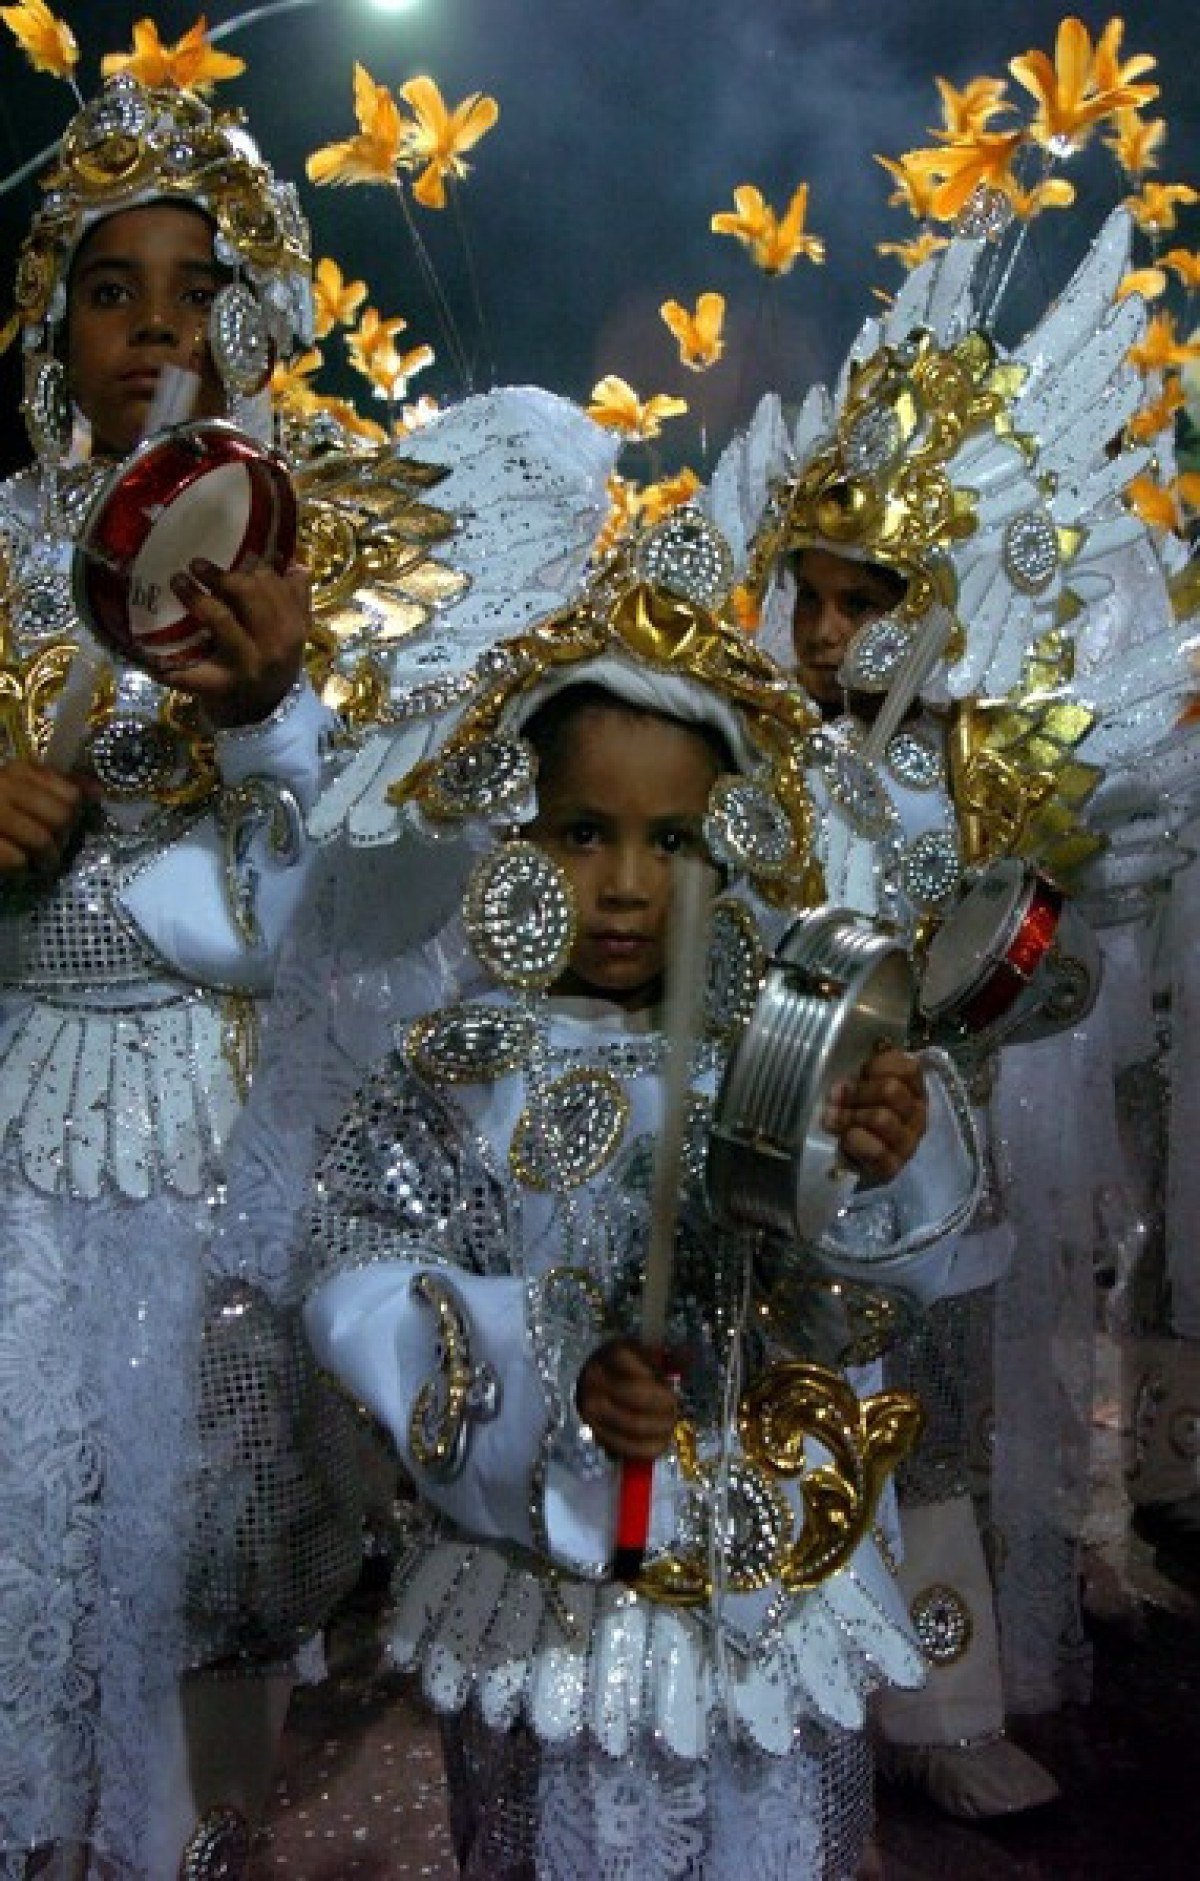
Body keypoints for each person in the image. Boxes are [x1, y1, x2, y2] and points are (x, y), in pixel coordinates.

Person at [244, 507, 985, 1878]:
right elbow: (359, 1266)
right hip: (555, 1602)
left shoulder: (777, 1055)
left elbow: (863, 1295)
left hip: (765, 1579)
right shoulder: (463, 1064)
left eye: (679, 842)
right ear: (517, 833)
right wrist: (550, 1372)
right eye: (586, 833)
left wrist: (884, 1154)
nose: (632, 886)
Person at [0, 69, 360, 1880]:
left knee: (198, 1520)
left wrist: (282, 720)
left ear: (252, 320)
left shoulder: (300, 565)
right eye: (108, 284)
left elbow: (338, 915)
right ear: (47, 319)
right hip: (7, 1117)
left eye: (195, 289)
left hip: (213, 1133)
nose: (153, 326)